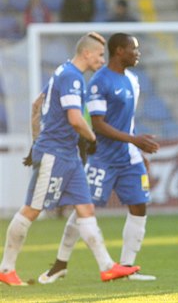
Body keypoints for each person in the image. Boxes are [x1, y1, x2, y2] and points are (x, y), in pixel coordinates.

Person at [0, 32, 139, 286]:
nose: (101, 59)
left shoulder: (62, 71)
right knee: (32, 209)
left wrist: (34, 145)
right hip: (55, 153)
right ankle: (6, 268)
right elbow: (76, 119)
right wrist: (92, 138)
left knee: (86, 208)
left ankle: (107, 267)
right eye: (99, 55)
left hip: (68, 155)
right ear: (86, 54)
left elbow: (36, 105)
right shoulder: (72, 77)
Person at [37, 33, 160, 284]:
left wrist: (135, 149)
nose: (137, 53)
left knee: (139, 206)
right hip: (102, 158)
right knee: (84, 210)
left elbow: (128, 123)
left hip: (128, 158)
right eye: (133, 49)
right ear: (119, 51)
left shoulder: (133, 81)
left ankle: (127, 266)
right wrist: (135, 141)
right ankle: (60, 263)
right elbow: (98, 125)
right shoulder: (99, 82)